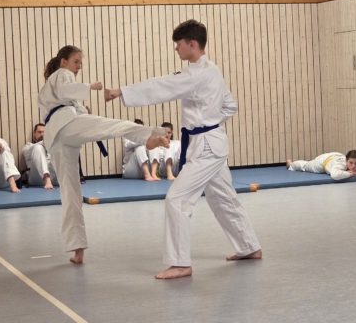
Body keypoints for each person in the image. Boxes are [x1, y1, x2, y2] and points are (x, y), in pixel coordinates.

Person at [105, 20, 262, 279]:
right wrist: (211, 123)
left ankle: (180, 263)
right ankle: (249, 247)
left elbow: (162, 86)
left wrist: (121, 92)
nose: (176, 49)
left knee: (177, 200)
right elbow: (230, 106)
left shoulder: (197, 74)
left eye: (178, 44)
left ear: (192, 44)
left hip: (207, 147)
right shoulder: (212, 70)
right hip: (211, 142)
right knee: (223, 197)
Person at [38, 45, 169, 264]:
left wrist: (83, 111)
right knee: (111, 126)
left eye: (80, 63)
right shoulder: (62, 74)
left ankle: (77, 248)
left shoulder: (51, 86)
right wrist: (90, 86)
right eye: (76, 62)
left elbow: (65, 99)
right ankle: (148, 136)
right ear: (63, 62)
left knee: (70, 192)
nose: (79, 66)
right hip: (65, 125)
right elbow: (66, 92)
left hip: (57, 138)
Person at [286, 150, 356, 181]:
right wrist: (349, 174)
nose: (353, 166)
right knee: (305, 166)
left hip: (336, 155)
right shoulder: (340, 164)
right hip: (323, 162)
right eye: (350, 163)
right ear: (346, 161)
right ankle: (290, 164)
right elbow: (335, 175)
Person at [22, 123, 58, 189]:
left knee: (60, 149)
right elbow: (40, 145)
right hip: (37, 178)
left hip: (54, 178)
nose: (41, 134)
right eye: (39, 132)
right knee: (38, 147)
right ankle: (46, 179)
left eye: (44, 132)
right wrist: (49, 141)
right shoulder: (28, 147)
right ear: (34, 133)